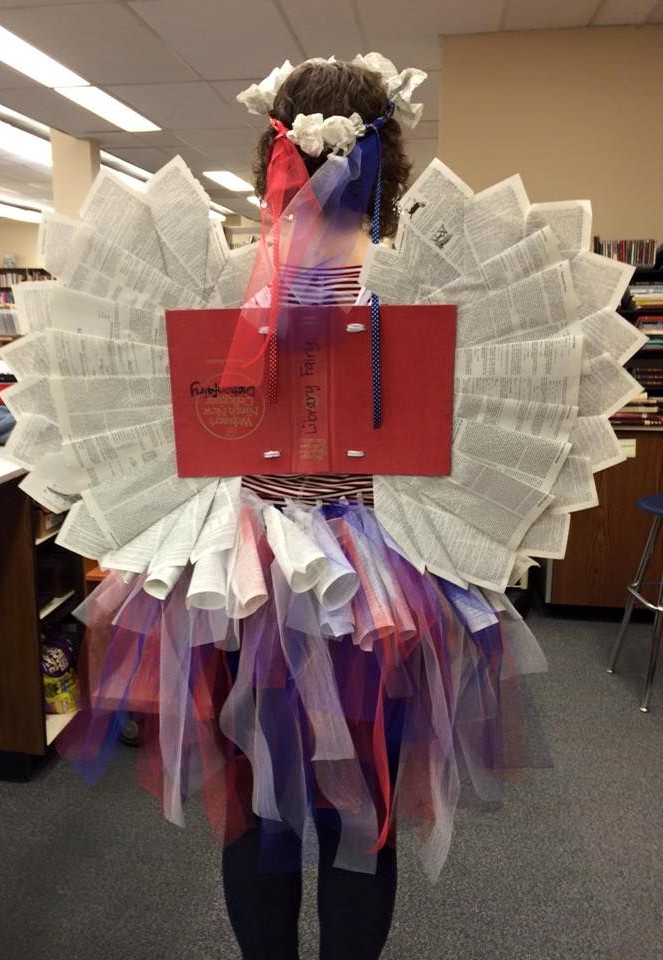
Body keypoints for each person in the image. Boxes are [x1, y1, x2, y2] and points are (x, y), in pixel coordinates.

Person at [59, 54, 545, 960]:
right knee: (365, 817)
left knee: (258, 814)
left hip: (244, 582)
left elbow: (172, 440)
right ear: (388, 162)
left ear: (270, 154)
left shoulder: (225, 287)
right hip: (379, 589)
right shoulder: (416, 293)